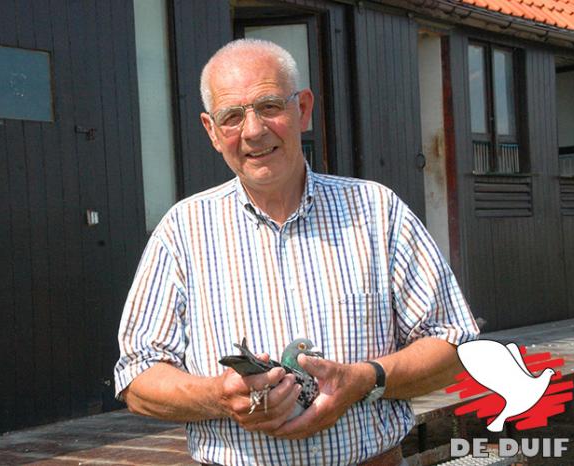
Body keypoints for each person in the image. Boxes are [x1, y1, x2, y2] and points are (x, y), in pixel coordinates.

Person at [114, 38, 478, 466]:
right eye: (232, 116)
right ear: (212, 132)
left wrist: (364, 380)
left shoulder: (376, 211)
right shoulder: (183, 230)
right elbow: (138, 378)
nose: (253, 131)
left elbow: (456, 346)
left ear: (303, 108)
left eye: (269, 106)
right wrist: (220, 396)